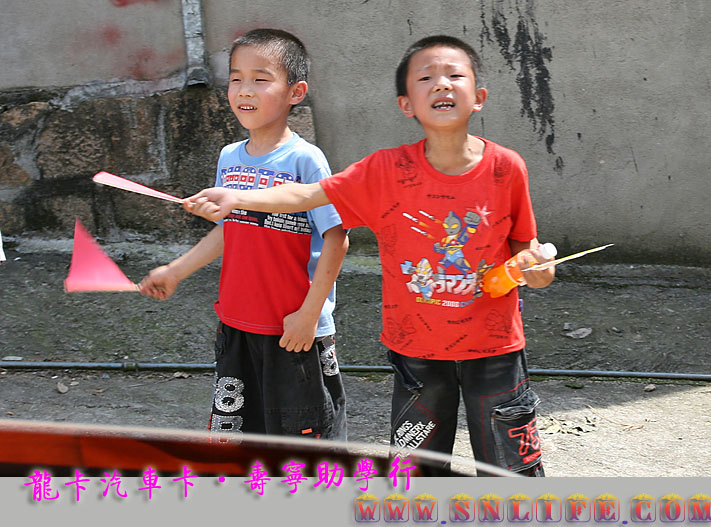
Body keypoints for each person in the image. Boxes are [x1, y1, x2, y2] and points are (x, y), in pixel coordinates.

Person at [182, 35, 555, 475]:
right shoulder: (384, 171)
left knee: (514, 471)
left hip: (496, 349)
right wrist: (238, 199)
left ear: (479, 98)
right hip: (416, 352)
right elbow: (309, 194)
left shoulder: (506, 167)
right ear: (405, 104)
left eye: (455, 75)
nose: (441, 85)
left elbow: (527, 255)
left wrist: (539, 269)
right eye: (426, 78)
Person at [140, 29, 348, 441]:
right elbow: (228, 233)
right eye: (236, 78)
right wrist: (176, 270)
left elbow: (337, 239)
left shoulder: (306, 159)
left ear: (296, 91)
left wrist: (309, 315)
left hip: (293, 330)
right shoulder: (229, 157)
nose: (244, 90)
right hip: (237, 323)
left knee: (305, 443)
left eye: (260, 78)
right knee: (241, 439)